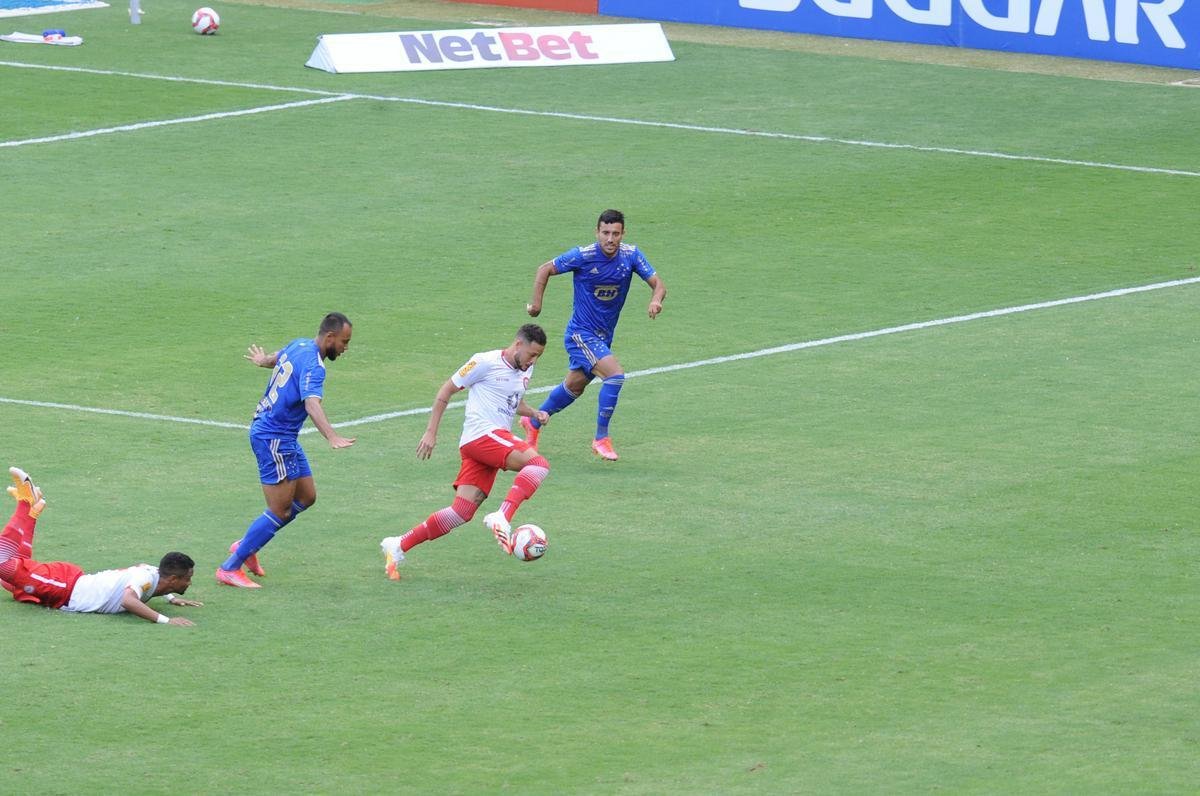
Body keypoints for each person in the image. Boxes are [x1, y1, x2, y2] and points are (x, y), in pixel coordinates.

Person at [380, 324, 551, 579]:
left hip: (488, 443)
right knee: (538, 465)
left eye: (538, 356)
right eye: (531, 354)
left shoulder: (526, 370)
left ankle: (398, 544)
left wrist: (533, 412)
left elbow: (512, 401)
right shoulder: (483, 362)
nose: (533, 360)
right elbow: (445, 391)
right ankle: (502, 516)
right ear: (518, 344)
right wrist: (431, 432)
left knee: (461, 512)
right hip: (482, 436)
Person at [217, 312, 357, 588]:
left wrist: (262, 361)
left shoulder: (299, 344)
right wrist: (331, 436)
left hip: (284, 437)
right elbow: (311, 404)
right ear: (330, 337)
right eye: (344, 342)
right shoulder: (315, 367)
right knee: (279, 510)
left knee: (307, 497)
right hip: (274, 438)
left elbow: (276, 358)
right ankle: (230, 568)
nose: (345, 348)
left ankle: (248, 545)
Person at [523, 208, 667, 461]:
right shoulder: (583, 255)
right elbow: (544, 269)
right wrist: (536, 305)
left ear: (623, 234)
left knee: (574, 387)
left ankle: (533, 422)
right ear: (597, 232)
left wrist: (656, 301)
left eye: (616, 234)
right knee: (615, 375)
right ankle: (601, 438)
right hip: (581, 334)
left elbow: (658, 284)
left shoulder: (631, 255)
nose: (610, 239)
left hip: (603, 336)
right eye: (605, 233)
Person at [1, 467, 201, 626]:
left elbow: (147, 574)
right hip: (64, 588)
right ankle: (26, 504)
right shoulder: (145, 578)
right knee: (2, 563)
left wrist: (171, 598)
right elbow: (128, 601)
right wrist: (166, 620)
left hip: (67, 584)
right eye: (188, 578)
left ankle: (32, 512)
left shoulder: (152, 574)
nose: (189, 583)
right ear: (173, 578)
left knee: (11, 581)